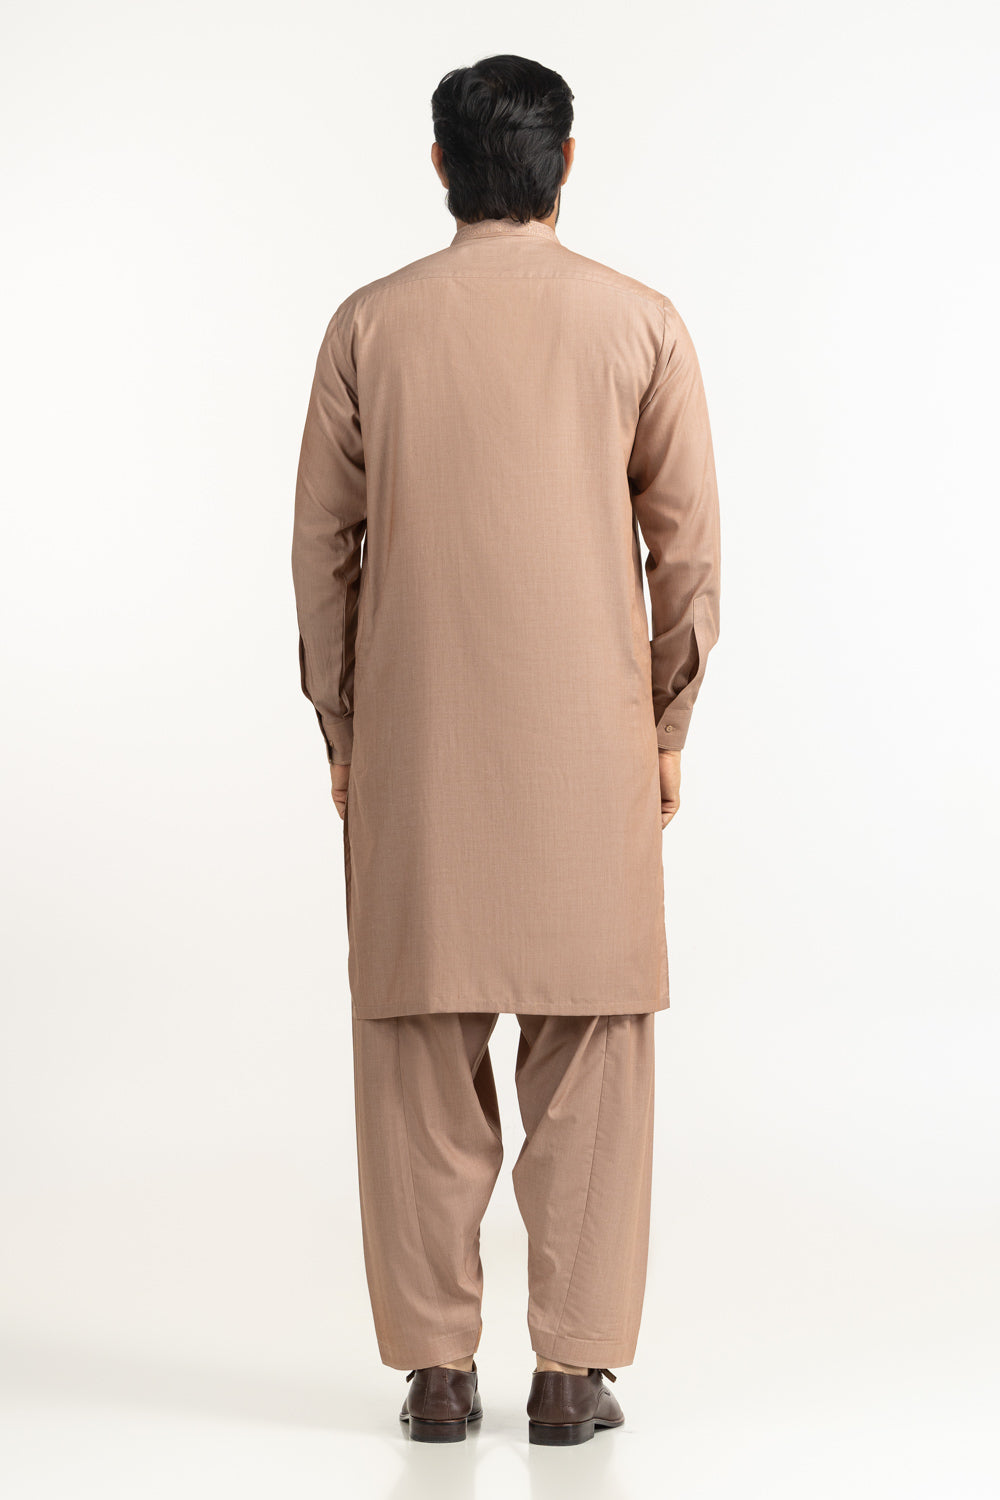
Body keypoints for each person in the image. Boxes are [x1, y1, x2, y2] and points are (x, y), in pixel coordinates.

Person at [290, 53, 721, 1445]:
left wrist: (346, 727)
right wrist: (664, 725)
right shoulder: (642, 325)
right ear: (565, 164)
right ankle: (571, 1373)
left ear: (441, 167)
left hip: (417, 750)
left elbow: (322, 555)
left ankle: (435, 1371)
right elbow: (687, 557)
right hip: (590, 748)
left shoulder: (368, 327)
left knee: (417, 1051)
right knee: (592, 1047)